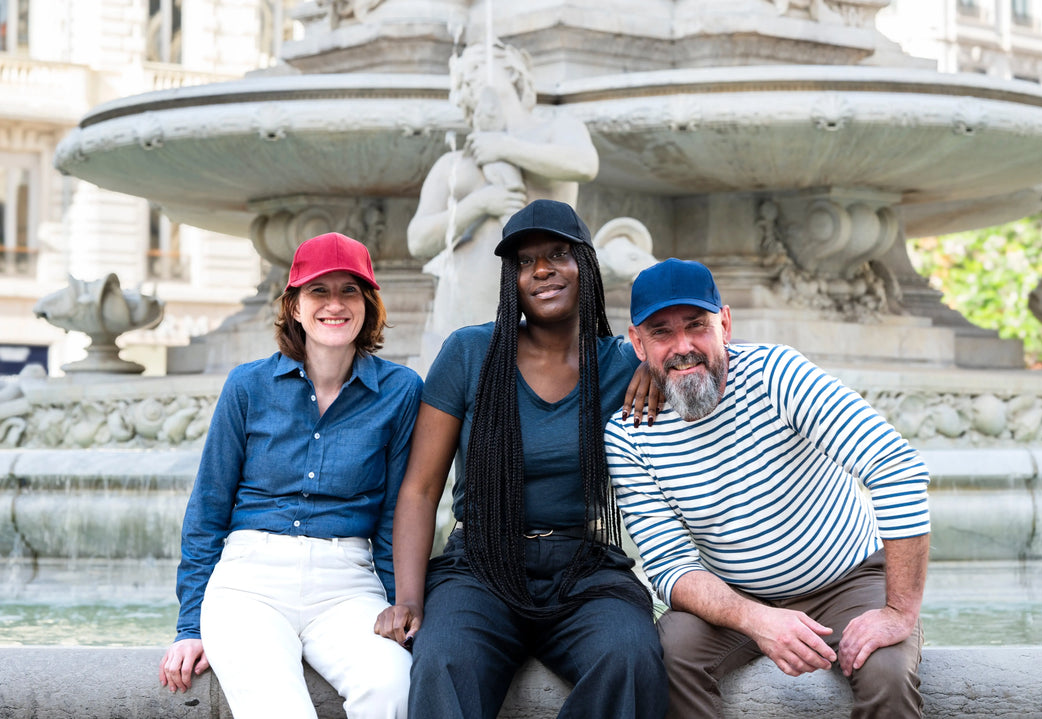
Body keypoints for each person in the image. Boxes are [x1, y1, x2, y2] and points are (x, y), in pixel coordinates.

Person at [375, 199, 668, 719]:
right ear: (511, 279)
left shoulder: (621, 363)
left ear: (588, 266)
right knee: (443, 661)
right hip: (480, 565)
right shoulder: (469, 354)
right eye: (524, 261)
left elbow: (700, 360)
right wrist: (410, 599)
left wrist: (657, 367)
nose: (542, 270)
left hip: (585, 569)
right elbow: (421, 490)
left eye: (558, 253)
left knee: (629, 656)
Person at [605, 258, 931, 719]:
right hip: (733, 600)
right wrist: (757, 619)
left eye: (697, 326)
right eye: (661, 333)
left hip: (848, 581)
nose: (683, 347)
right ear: (638, 343)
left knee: (887, 675)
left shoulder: (777, 373)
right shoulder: (627, 435)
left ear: (726, 324)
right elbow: (670, 567)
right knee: (667, 651)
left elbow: (896, 466)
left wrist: (899, 611)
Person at [158, 232, 421, 719]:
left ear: (368, 305)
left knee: (392, 686)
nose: (334, 304)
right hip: (248, 583)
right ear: (294, 307)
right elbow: (208, 509)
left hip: (347, 586)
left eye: (349, 291)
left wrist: (399, 605)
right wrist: (190, 626)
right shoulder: (248, 385)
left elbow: (395, 515)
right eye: (318, 291)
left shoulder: (401, 391)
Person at [407, 41, 599, 365]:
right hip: (462, 309)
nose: (471, 82)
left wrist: (505, 147)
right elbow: (418, 240)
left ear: (513, 70)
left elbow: (584, 164)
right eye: (464, 80)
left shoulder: (556, 128)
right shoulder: (454, 163)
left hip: (544, 299)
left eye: (479, 68)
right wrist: (479, 204)